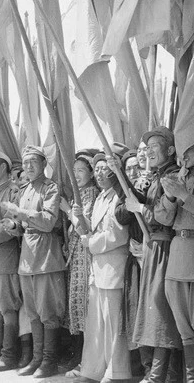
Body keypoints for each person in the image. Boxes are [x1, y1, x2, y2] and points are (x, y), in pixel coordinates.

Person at [0, 145, 67, 378]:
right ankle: (37, 358)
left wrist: (20, 214)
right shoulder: (25, 189)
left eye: (33, 162)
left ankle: (49, 360)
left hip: (47, 254)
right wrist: (12, 225)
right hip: (28, 256)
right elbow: (21, 225)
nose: (28, 167)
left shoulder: (50, 188)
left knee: (48, 310)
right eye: (25, 162)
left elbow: (48, 221)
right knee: (33, 312)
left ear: (43, 164)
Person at [128, 126, 183, 383]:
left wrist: (138, 206)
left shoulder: (171, 176)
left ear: (171, 151)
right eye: (147, 148)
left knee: (161, 310)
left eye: (155, 147)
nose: (149, 152)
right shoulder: (156, 176)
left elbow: (164, 216)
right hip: (154, 248)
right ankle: (165, 376)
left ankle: (157, 376)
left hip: (166, 247)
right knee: (155, 310)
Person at [71, 154, 132, 383]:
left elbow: (118, 234)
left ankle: (117, 373)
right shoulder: (100, 199)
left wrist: (91, 243)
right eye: (96, 169)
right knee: (96, 324)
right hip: (98, 268)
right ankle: (93, 370)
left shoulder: (120, 197)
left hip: (114, 265)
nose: (98, 173)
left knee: (113, 325)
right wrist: (79, 221)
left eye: (104, 168)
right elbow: (89, 231)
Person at [60, 152, 101, 373]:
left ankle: (84, 358)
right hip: (75, 255)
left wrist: (67, 210)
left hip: (86, 255)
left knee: (84, 306)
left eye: (81, 170)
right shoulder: (80, 194)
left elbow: (85, 226)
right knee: (76, 305)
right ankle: (77, 353)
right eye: (73, 171)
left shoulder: (92, 193)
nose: (76, 175)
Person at [161, 142, 194, 383]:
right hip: (179, 254)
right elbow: (162, 217)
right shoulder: (178, 176)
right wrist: (171, 195)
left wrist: (185, 196)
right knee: (185, 332)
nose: (186, 156)